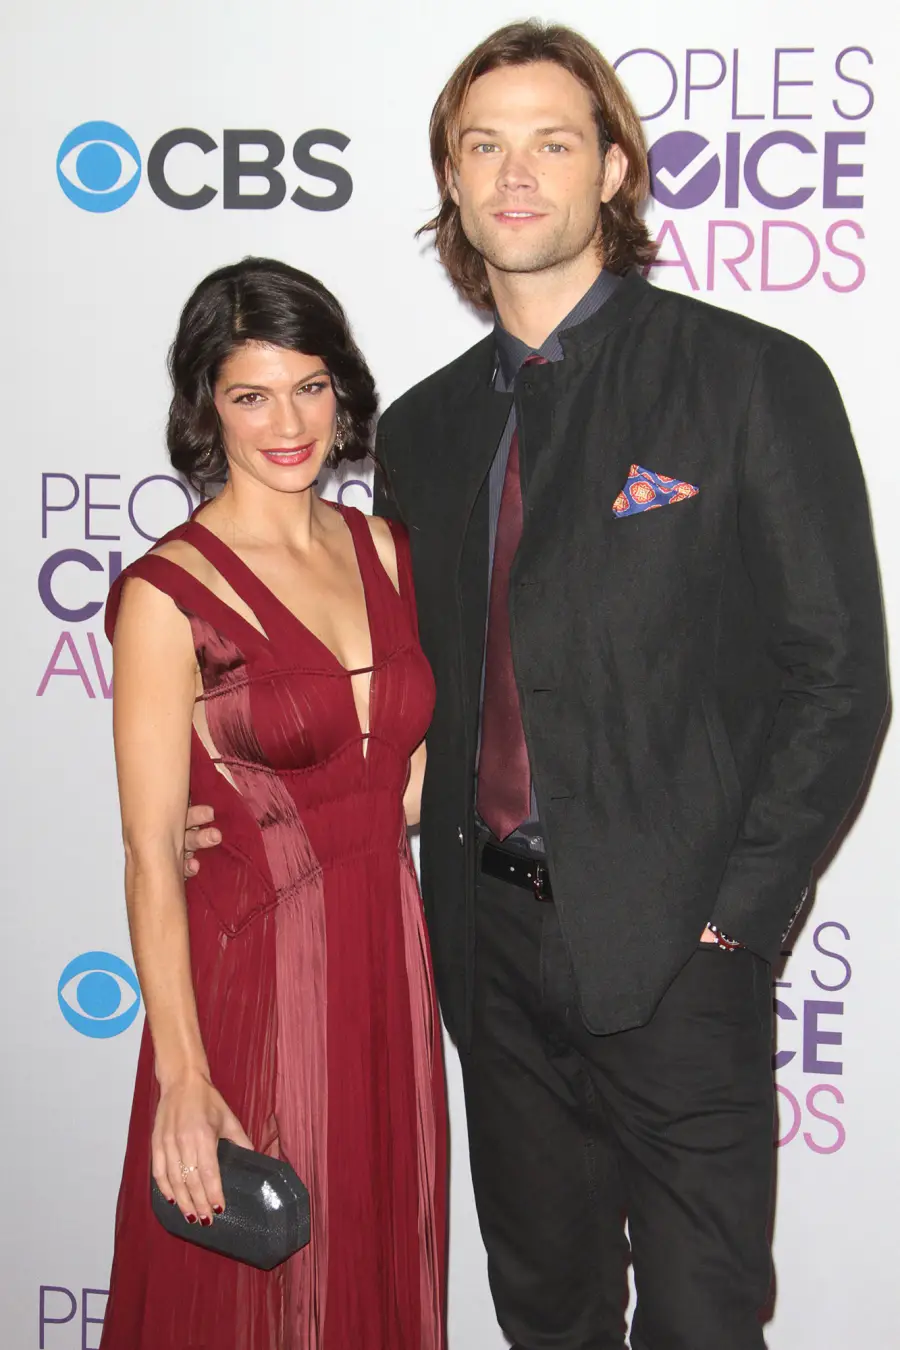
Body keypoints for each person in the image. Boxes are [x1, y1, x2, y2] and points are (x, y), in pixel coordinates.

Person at [185, 21, 887, 1350]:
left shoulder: (752, 380)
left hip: (681, 951)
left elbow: (839, 674)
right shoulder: (428, 430)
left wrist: (735, 917)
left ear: (615, 168)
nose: (517, 174)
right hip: (485, 949)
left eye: (552, 142)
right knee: (546, 1310)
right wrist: (228, 810)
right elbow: (388, 692)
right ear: (450, 181)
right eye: (483, 145)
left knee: (702, 1318)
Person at [101, 258, 447, 1350]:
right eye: (250, 394)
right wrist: (184, 1074)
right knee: (262, 1292)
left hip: (390, 960)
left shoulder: (387, 549)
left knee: (376, 1259)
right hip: (257, 969)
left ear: (342, 388)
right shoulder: (169, 594)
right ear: (208, 406)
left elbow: (403, 772)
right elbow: (154, 854)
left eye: (308, 386)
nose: (286, 422)